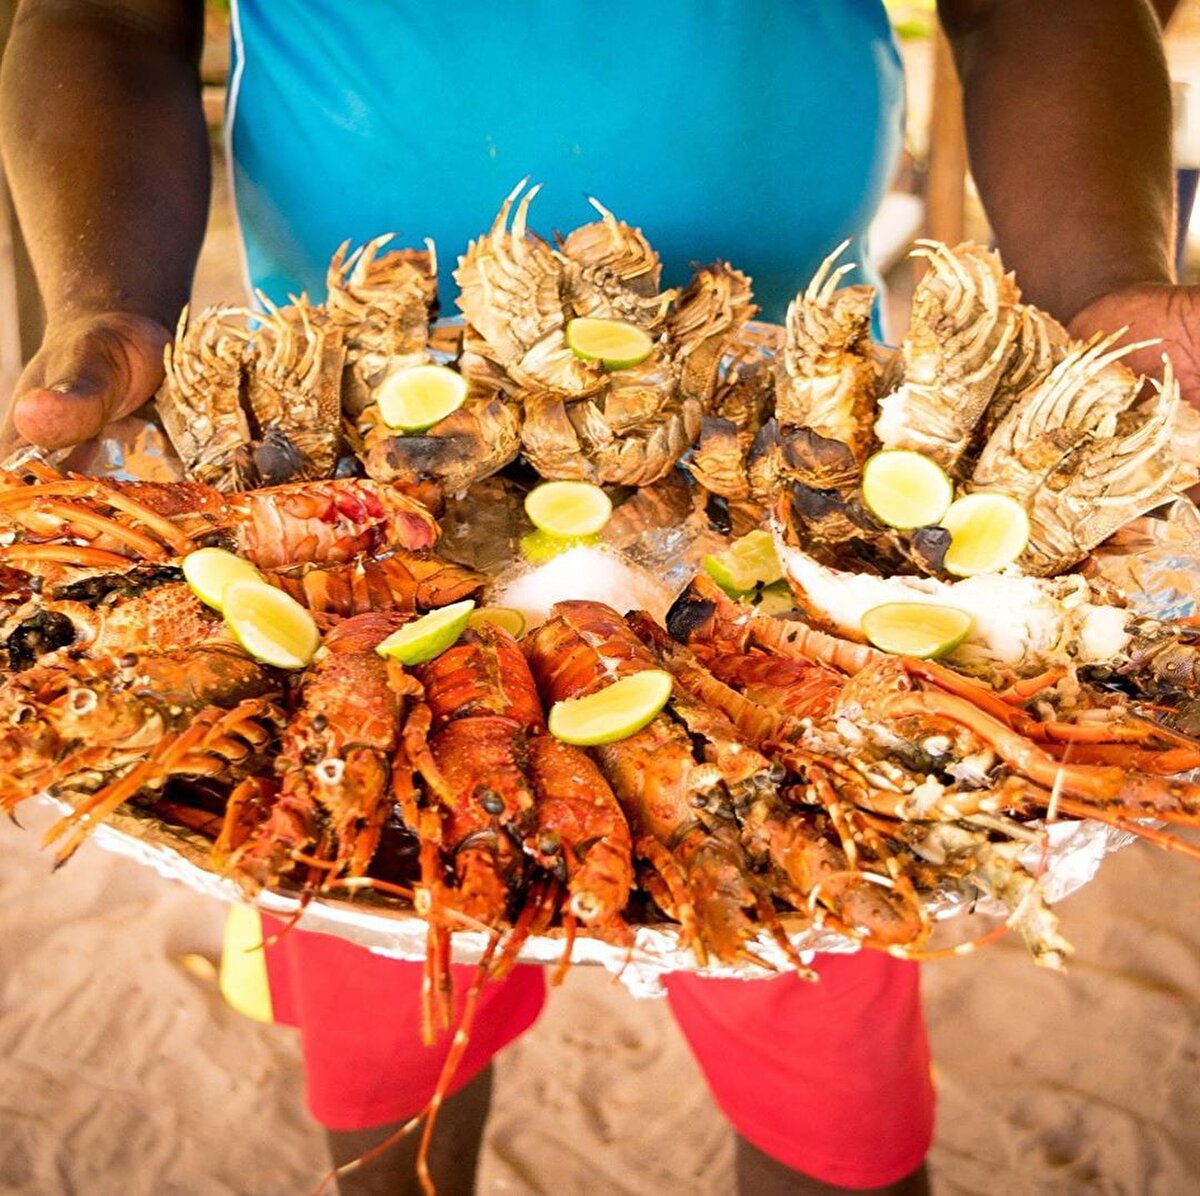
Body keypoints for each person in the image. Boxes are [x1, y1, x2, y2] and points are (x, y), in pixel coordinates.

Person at [0, 2, 1195, 1192]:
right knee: (375, 990)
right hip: (337, 443)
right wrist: (102, 299)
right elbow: (101, 18)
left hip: (801, 456)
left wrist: (1112, 287)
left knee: (831, 1035)